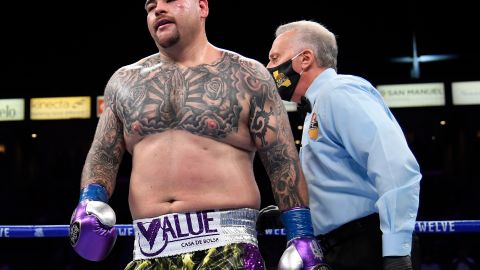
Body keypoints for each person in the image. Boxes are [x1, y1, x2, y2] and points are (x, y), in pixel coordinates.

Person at [68, 1, 329, 270]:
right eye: (150, 6)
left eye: (170, 0)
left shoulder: (248, 75)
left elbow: (282, 161)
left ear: (202, 7)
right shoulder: (123, 83)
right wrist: (89, 201)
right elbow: (104, 154)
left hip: (228, 248)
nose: (158, 10)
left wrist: (301, 234)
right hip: (148, 251)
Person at [263, 20, 422, 270]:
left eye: (274, 58)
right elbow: (337, 180)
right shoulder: (316, 107)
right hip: (343, 247)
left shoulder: (340, 92)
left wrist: (396, 251)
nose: (269, 67)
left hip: (368, 245)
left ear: (304, 59)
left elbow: (395, 168)